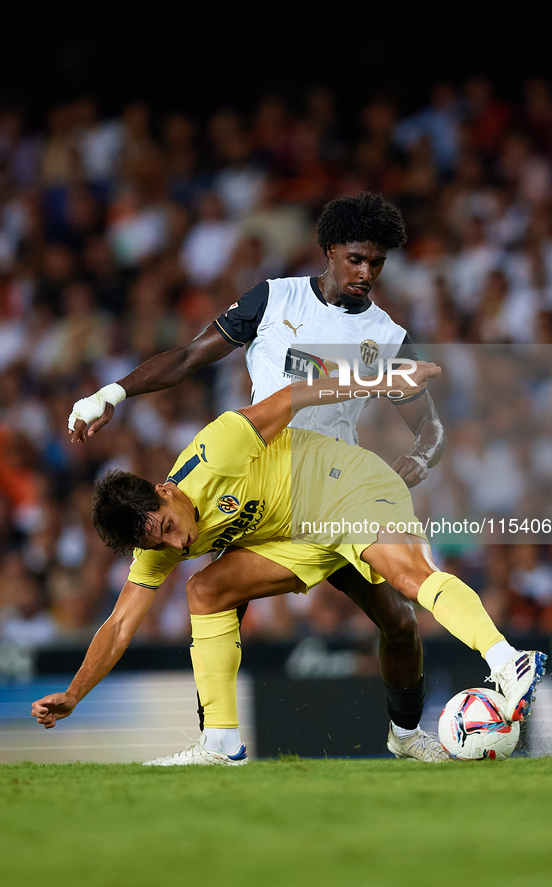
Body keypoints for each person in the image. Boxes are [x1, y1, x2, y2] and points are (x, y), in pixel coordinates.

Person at [65, 193, 450, 763]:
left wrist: (420, 459)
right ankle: (215, 741)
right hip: (259, 478)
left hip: (332, 489)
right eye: (356, 259)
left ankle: (406, 735)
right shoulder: (274, 299)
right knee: (217, 598)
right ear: (329, 252)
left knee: (398, 622)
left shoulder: (388, 336)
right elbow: (191, 357)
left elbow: (431, 428)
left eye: (377, 262)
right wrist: (111, 392)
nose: (366, 272)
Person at [33, 365, 547, 768]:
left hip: (345, 486)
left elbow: (296, 396)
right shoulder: (156, 545)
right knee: (204, 592)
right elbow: (120, 623)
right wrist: (75, 694)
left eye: (168, 525)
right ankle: (219, 743)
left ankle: (503, 664)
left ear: (165, 491)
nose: (178, 540)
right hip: (297, 537)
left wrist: (388, 381)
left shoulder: (216, 450)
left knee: (404, 597)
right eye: (160, 541)